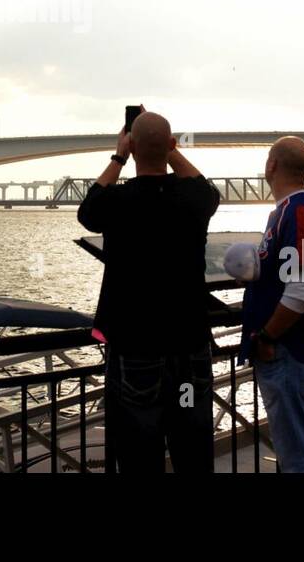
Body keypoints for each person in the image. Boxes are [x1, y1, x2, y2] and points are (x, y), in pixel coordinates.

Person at [77, 108, 220, 473]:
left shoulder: (118, 201)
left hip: (138, 354)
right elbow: (207, 188)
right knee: (191, 439)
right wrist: (168, 149)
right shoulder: (194, 200)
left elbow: (87, 210)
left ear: (132, 148)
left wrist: (118, 156)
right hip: (188, 354)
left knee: (141, 448)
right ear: (171, 145)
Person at [232, 136, 304, 472]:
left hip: (289, 354)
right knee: (296, 451)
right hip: (288, 354)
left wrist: (266, 337)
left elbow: (303, 289)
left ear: (271, 165)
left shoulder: (298, 212)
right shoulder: (288, 211)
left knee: (299, 457)